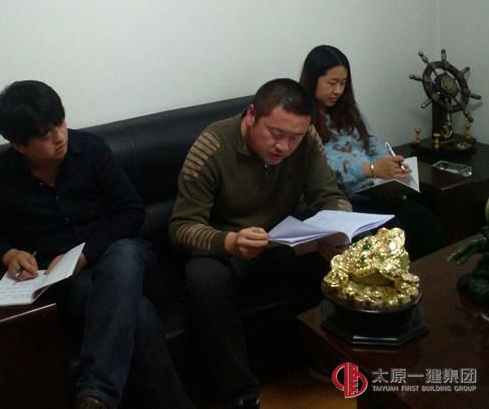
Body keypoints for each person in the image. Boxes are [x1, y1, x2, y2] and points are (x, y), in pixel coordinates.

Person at [0, 80, 194, 409]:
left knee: (124, 253)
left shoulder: (90, 149)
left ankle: (98, 390)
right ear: (19, 145)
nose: (60, 137)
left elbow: (131, 211)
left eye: (60, 122)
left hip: (123, 256)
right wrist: (8, 253)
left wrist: (85, 254)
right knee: (140, 315)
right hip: (68, 282)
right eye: (45, 135)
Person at [168, 78, 352, 409]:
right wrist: (229, 241)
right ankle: (240, 394)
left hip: (281, 239)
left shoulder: (307, 138)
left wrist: (339, 230)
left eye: (294, 137)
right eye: (275, 134)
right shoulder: (211, 146)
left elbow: (328, 194)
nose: (284, 146)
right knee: (204, 278)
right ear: (252, 115)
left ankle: (329, 356)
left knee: (342, 254)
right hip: (227, 246)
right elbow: (181, 226)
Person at [299, 45, 442, 260]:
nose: (338, 90)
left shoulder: (348, 111)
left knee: (423, 218)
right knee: (394, 231)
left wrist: (391, 172)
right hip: (338, 201)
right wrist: (371, 170)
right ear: (312, 79)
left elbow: (374, 146)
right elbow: (321, 171)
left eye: (343, 83)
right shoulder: (301, 117)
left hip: (370, 192)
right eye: (332, 83)